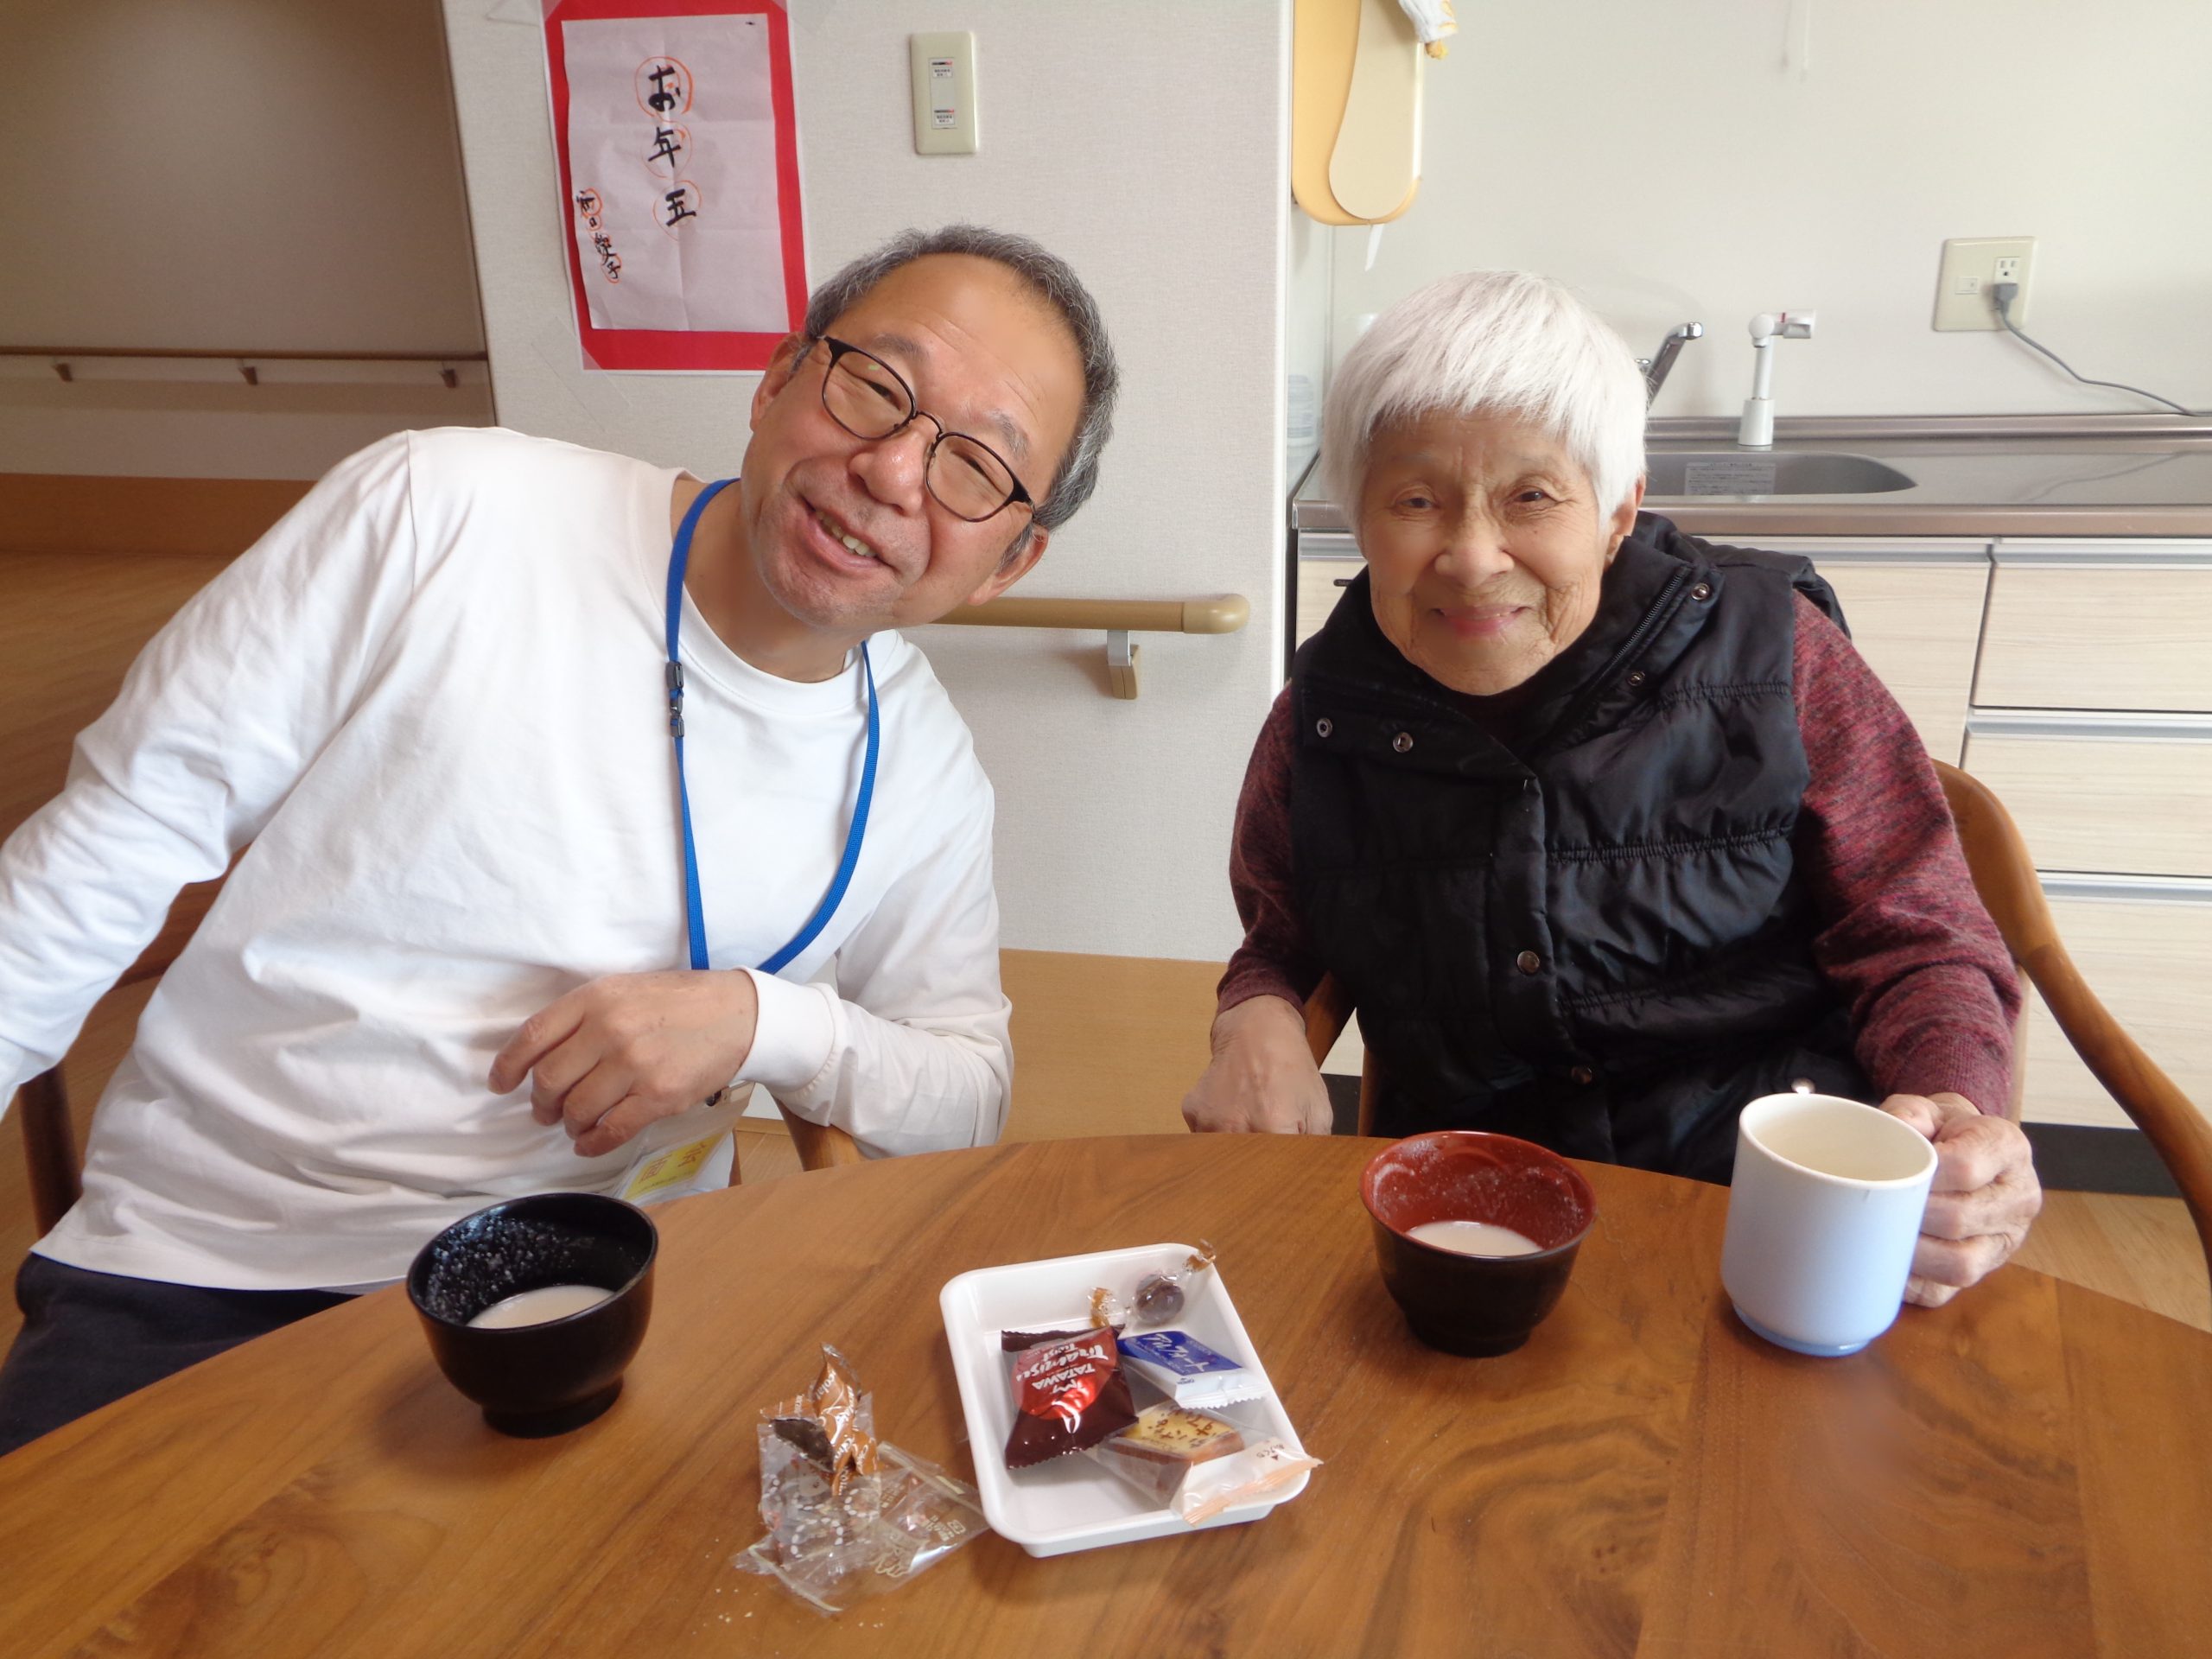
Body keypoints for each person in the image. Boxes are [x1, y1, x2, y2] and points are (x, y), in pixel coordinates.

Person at [0, 225, 1119, 1452]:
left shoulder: (924, 768)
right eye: (877, 387)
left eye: (976, 465)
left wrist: (765, 1024)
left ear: (1010, 561)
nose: (895, 471)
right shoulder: (444, 507)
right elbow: (107, 845)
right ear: (777, 379)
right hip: (222, 1265)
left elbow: (965, 1095)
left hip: (624, 1289)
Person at [1182, 270, 2040, 1307]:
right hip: (1476, 1231)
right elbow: (1285, 938)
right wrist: (1254, 1013)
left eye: (1531, 497)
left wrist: (1952, 1109)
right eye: (1415, 501)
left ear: (1619, 509)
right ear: (1358, 516)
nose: (1471, 556)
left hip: (1768, 1214)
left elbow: (1919, 933)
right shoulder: (1321, 718)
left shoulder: (1777, 656)